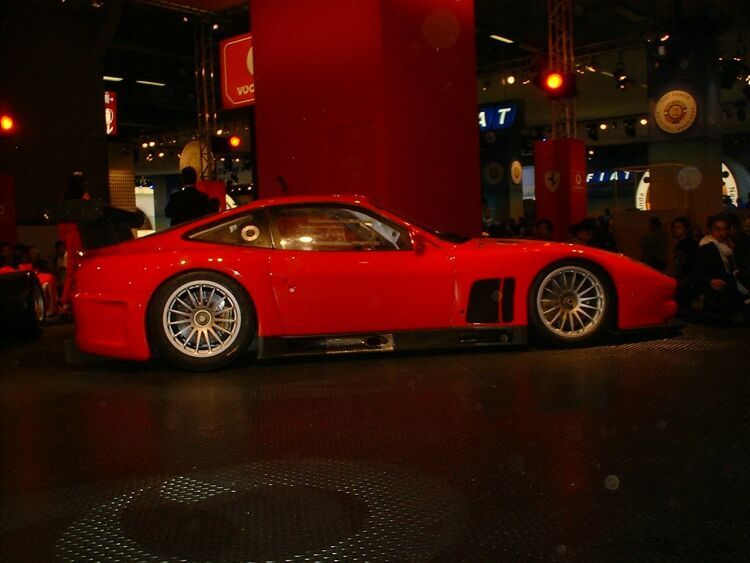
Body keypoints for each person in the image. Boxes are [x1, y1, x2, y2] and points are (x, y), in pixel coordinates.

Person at [693, 213, 745, 318]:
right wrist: (710, 281)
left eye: (724, 229)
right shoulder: (707, 247)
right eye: (717, 229)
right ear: (710, 230)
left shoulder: (728, 246)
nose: (721, 232)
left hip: (728, 291)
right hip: (716, 295)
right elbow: (697, 271)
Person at [57, 171, 89, 310]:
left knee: (71, 269)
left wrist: (63, 238)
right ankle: (79, 296)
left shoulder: (64, 200)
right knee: (83, 267)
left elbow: (60, 222)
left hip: (69, 236)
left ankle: (65, 300)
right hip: (81, 235)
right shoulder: (84, 198)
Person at [671, 216, 698, 310]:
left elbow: (693, 263)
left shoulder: (690, 244)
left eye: (679, 227)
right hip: (680, 279)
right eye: (674, 227)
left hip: (686, 280)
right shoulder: (680, 244)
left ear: (686, 229)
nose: (676, 230)